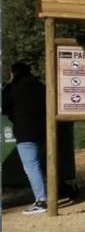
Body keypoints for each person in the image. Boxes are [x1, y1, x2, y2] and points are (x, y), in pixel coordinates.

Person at [2, 62, 48, 215]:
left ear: (13, 72)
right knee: (41, 164)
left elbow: (5, 106)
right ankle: (50, 194)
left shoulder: (13, 88)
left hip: (24, 132)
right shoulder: (40, 86)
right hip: (44, 130)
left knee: (31, 167)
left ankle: (41, 201)